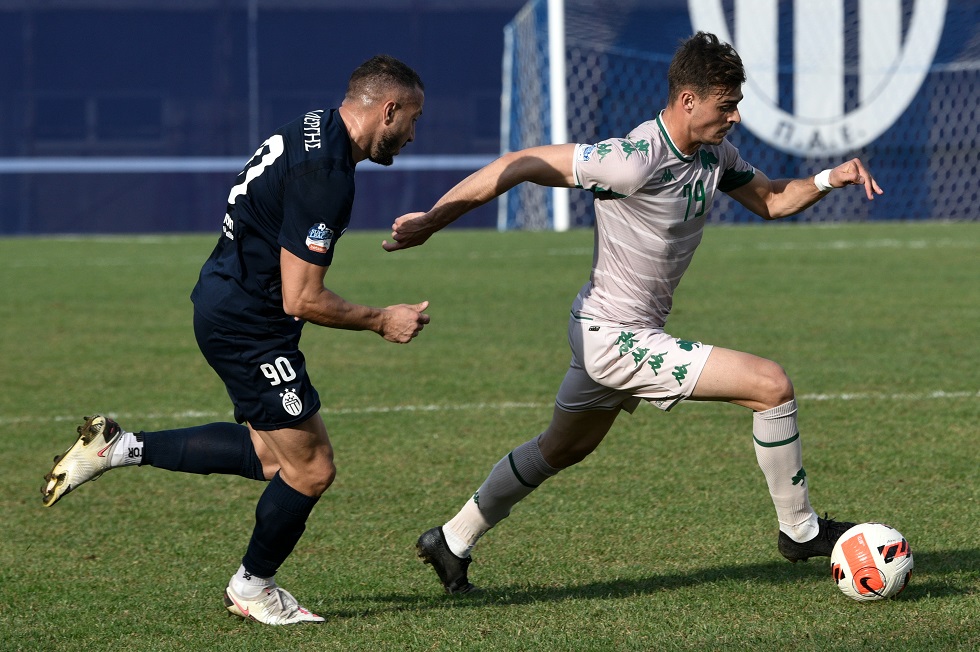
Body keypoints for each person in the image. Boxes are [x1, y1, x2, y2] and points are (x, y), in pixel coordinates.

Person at [382, 32, 883, 594]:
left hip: (611, 331)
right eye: (726, 105)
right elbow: (520, 162)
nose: (736, 117)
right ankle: (800, 530)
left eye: (737, 104)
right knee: (770, 384)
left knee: (562, 448)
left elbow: (771, 199)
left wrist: (828, 178)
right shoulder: (631, 160)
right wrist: (433, 220)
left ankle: (451, 540)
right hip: (614, 337)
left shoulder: (714, 155)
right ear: (688, 100)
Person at [41, 54, 431, 624]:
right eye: (413, 119)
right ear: (389, 109)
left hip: (228, 302)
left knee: (273, 457)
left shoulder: (313, 125)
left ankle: (119, 448)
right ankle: (252, 587)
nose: (414, 135)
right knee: (311, 469)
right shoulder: (326, 177)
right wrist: (381, 320)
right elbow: (303, 298)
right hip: (250, 327)